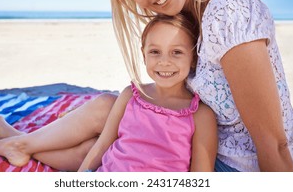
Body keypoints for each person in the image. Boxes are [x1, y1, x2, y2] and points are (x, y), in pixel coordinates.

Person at [0, 0, 293, 172]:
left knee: (113, 144)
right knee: (108, 115)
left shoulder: (228, 12)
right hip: (192, 144)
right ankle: (22, 142)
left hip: (230, 167)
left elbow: (274, 143)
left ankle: (21, 142)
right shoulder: (183, 19)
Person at [78, 14, 217, 172]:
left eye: (177, 52)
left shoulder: (201, 115)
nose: (164, 62)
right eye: (155, 52)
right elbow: (102, 145)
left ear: (193, 58)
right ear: (144, 55)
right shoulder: (130, 95)